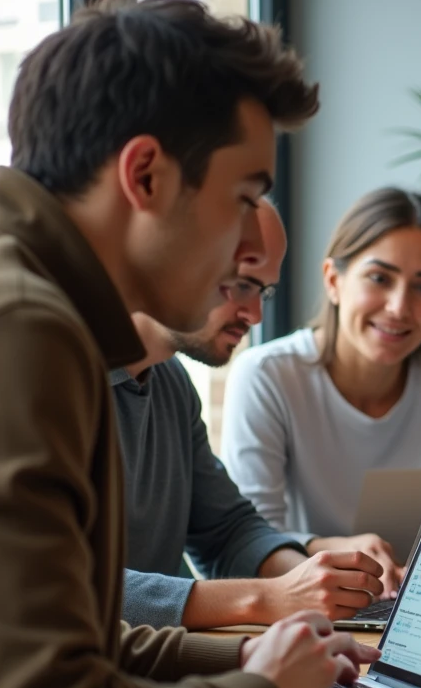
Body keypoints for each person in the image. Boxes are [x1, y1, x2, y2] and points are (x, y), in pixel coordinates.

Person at [0, 0, 380, 688]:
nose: (244, 239)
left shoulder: (41, 309)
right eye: (243, 199)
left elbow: (86, 640)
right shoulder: (25, 328)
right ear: (145, 175)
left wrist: (247, 667)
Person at [117, 198, 390, 630]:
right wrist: (268, 598)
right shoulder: (48, 377)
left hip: (164, 664)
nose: (256, 314)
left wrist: (313, 580)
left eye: (263, 291)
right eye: (242, 284)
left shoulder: (169, 381)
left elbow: (226, 529)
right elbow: (61, 591)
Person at [221, 187, 421, 565]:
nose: (399, 307)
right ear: (333, 280)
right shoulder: (267, 375)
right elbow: (250, 540)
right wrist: (324, 547)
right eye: (379, 278)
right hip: (316, 600)